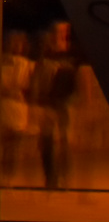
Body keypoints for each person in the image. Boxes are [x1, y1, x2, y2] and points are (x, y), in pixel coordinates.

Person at [33, 22, 77, 189]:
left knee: (64, 142)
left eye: (65, 31)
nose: (63, 34)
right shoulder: (46, 57)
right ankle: (51, 178)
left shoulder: (69, 56)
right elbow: (38, 79)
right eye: (60, 31)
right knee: (47, 142)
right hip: (48, 104)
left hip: (63, 104)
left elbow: (74, 81)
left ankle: (63, 178)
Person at [1, 31, 35, 184]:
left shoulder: (25, 63)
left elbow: (26, 84)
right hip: (6, 105)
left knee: (15, 145)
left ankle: (9, 178)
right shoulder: (5, 62)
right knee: (6, 143)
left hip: (18, 106)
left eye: (19, 43)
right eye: (14, 43)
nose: (17, 46)